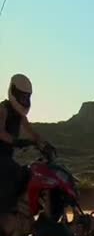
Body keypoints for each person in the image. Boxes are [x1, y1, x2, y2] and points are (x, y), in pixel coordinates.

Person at [0, 73, 48, 213]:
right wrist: (16, 141)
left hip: (7, 157)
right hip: (1, 158)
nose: (25, 100)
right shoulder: (3, 109)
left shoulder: (20, 115)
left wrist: (44, 144)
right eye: (22, 97)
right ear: (13, 92)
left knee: (29, 174)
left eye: (27, 97)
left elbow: (32, 133)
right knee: (13, 173)